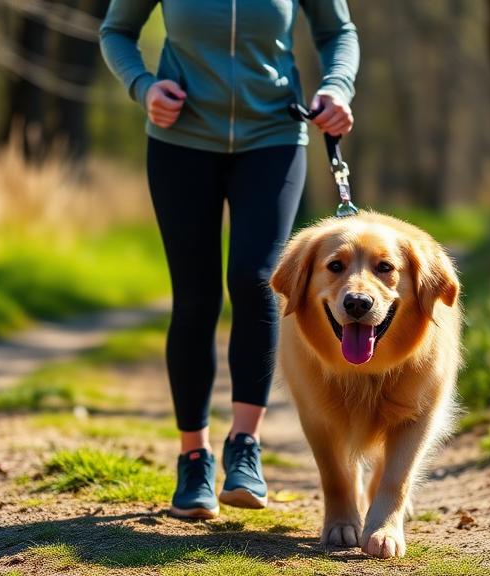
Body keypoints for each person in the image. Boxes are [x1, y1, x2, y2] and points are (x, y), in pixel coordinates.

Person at [99, 0, 359, 519]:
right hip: (181, 142)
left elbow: (338, 31)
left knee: (257, 279)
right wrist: (144, 87)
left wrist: (337, 86)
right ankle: (193, 458)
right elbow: (116, 31)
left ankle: (245, 447)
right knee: (195, 298)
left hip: (273, 137)